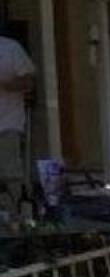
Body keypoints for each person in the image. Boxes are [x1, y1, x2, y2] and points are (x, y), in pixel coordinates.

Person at [0, 31, 34, 195]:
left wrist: (6, 85)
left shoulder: (10, 48)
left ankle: (14, 215)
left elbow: (28, 82)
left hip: (7, 123)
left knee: (10, 174)